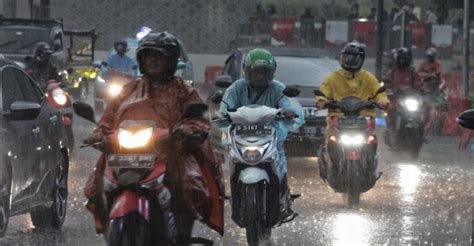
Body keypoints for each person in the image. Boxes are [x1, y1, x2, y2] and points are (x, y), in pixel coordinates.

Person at [84, 32, 224, 242]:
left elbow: (199, 118)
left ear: (170, 60)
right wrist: (99, 133)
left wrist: (188, 129)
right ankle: (108, 222)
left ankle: (182, 232)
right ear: (141, 60)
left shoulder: (183, 91)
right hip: (126, 153)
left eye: (159, 56)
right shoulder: (129, 89)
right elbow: (109, 118)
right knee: (96, 186)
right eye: (148, 56)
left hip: (170, 151)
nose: (153, 61)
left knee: (191, 185)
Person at [218, 48, 304, 221]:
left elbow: (293, 111)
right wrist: (221, 115)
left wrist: (289, 113)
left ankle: (281, 198)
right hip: (240, 139)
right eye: (256, 71)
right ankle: (236, 200)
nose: (260, 76)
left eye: (265, 72)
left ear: (271, 73)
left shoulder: (278, 89)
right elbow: (223, 111)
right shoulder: (236, 88)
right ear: (247, 71)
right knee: (232, 166)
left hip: (271, 140)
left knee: (279, 168)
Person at [315, 42, 390, 179]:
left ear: (361, 60)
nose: (350, 61)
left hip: (364, 117)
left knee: (371, 139)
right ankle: (329, 162)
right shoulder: (333, 77)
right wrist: (321, 101)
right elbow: (323, 91)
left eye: (354, 58)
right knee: (329, 139)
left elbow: (379, 92)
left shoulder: (368, 77)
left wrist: (383, 101)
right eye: (347, 57)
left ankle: (370, 163)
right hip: (338, 116)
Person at [383, 47, 429, 138]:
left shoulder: (412, 73)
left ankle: (422, 130)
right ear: (397, 59)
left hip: (410, 98)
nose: (403, 61)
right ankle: (392, 129)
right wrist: (388, 91)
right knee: (390, 109)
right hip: (396, 99)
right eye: (401, 58)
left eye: (406, 58)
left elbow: (419, 82)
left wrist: (423, 89)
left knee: (427, 107)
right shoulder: (392, 72)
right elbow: (386, 83)